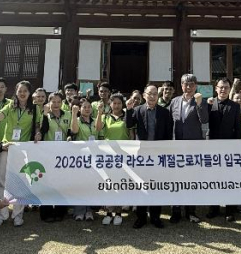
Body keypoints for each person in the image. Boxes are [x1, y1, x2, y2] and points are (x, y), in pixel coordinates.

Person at [0, 80, 42, 228]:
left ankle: (18, 214)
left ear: (29, 93)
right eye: (20, 91)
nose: (22, 93)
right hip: (7, 147)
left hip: (23, 149)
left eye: (25, 91)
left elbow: (37, 125)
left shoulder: (35, 108)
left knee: (21, 181)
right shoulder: (10, 106)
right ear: (16, 92)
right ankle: (2, 214)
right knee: (2, 181)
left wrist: (38, 133)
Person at [126, 84, 173, 229]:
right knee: (142, 186)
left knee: (156, 187)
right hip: (143, 156)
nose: (152, 97)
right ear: (144, 95)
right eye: (149, 94)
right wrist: (128, 109)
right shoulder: (138, 110)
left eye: (155, 94)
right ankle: (141, 217)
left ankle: (155, 217)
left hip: (158, 156)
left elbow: (168, 134)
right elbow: (129, 124)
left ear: (158, 96)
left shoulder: (164, 112)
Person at [169, 73, 208, 224]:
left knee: (191, 180)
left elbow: (204, 120)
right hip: (176, 147)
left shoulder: (201, 101)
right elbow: (170, 121)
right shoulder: (174, 101)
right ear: (181, 85)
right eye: (186, 84)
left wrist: (199, 105)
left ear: (196, 86)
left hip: (193, 147)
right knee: (176, 180)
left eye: (192, 84)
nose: (189, 87)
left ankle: (191, 211)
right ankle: (176, 211)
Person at [206, 78, 241, 222]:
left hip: (229, 147)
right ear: (216, 88)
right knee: (213, 179)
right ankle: (213, 208)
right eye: (221, 87)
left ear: (229, 89)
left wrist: (236, 147)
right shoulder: (209, 103)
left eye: (226, 87)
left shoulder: (235, 106)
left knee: (230, 179)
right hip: (212, 147)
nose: (223, 90)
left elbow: (238, 128)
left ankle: (230, 209)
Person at [96, 93, 132, 225]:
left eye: (119, 103)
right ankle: (108, 212)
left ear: (122, 104)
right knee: (108, 183)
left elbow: (131, 135)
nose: (116, 106)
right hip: (108, 155)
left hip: (123, 155)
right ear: (110, 104)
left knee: (120, 184)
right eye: (114, 103)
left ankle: (118, 212)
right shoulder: (105, 117)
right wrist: (99, 113)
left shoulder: (127, 116)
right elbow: (98, 128)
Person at [39, 91, 71, 222]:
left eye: (59, 102)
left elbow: (71, 130)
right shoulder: (44, 114)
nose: (56, 104)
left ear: (62, 102)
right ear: (49, 102)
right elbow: (43, 130)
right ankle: (46, 212)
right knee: (46, 182)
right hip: (48, 152)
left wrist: (70, 136)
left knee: (61, 182)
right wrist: (45, 115)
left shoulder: (68, 114)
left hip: (63, 152)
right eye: (53, 102)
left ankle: (60, 211)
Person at [69, 99, 97, 221]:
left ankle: (89, 210)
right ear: (80, 109)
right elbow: (74, 130)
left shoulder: (95, 121)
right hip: (80, 157)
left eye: (89, 107)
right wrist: (74, 114)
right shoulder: (76, 120)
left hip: (94, 157)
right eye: (84, 107)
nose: (87, 109)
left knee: (90, 184)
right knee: (80, 184)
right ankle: (79, 211)